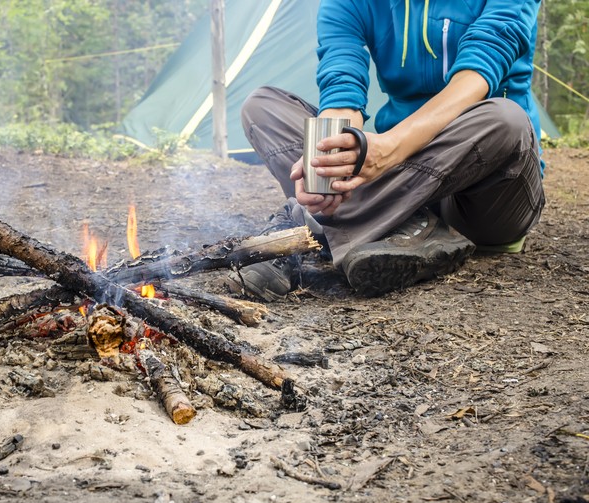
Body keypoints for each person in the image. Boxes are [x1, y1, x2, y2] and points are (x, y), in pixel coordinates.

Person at [229, 0, 546, 300]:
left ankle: (311, 225)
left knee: (507, 120)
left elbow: (476, 76)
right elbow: (342, 87)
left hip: (484, 192)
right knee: (263, 107)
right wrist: (327, 159)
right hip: (404, 179)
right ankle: (412, 229)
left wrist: (390, 149)